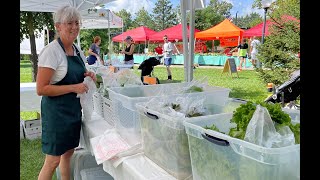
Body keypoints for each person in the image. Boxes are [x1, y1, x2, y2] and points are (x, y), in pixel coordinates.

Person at [36, 6, 96, 180]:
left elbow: (79, 74)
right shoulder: (52, 52)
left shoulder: (77, 50)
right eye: (69, 23)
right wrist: (73, 87)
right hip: (56, 114)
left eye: (77, 23)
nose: (74, 27)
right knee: (52, 161)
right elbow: (41, 89)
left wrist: (88, 75)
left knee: (68, 154)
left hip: (73, 111)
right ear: (58, 26)